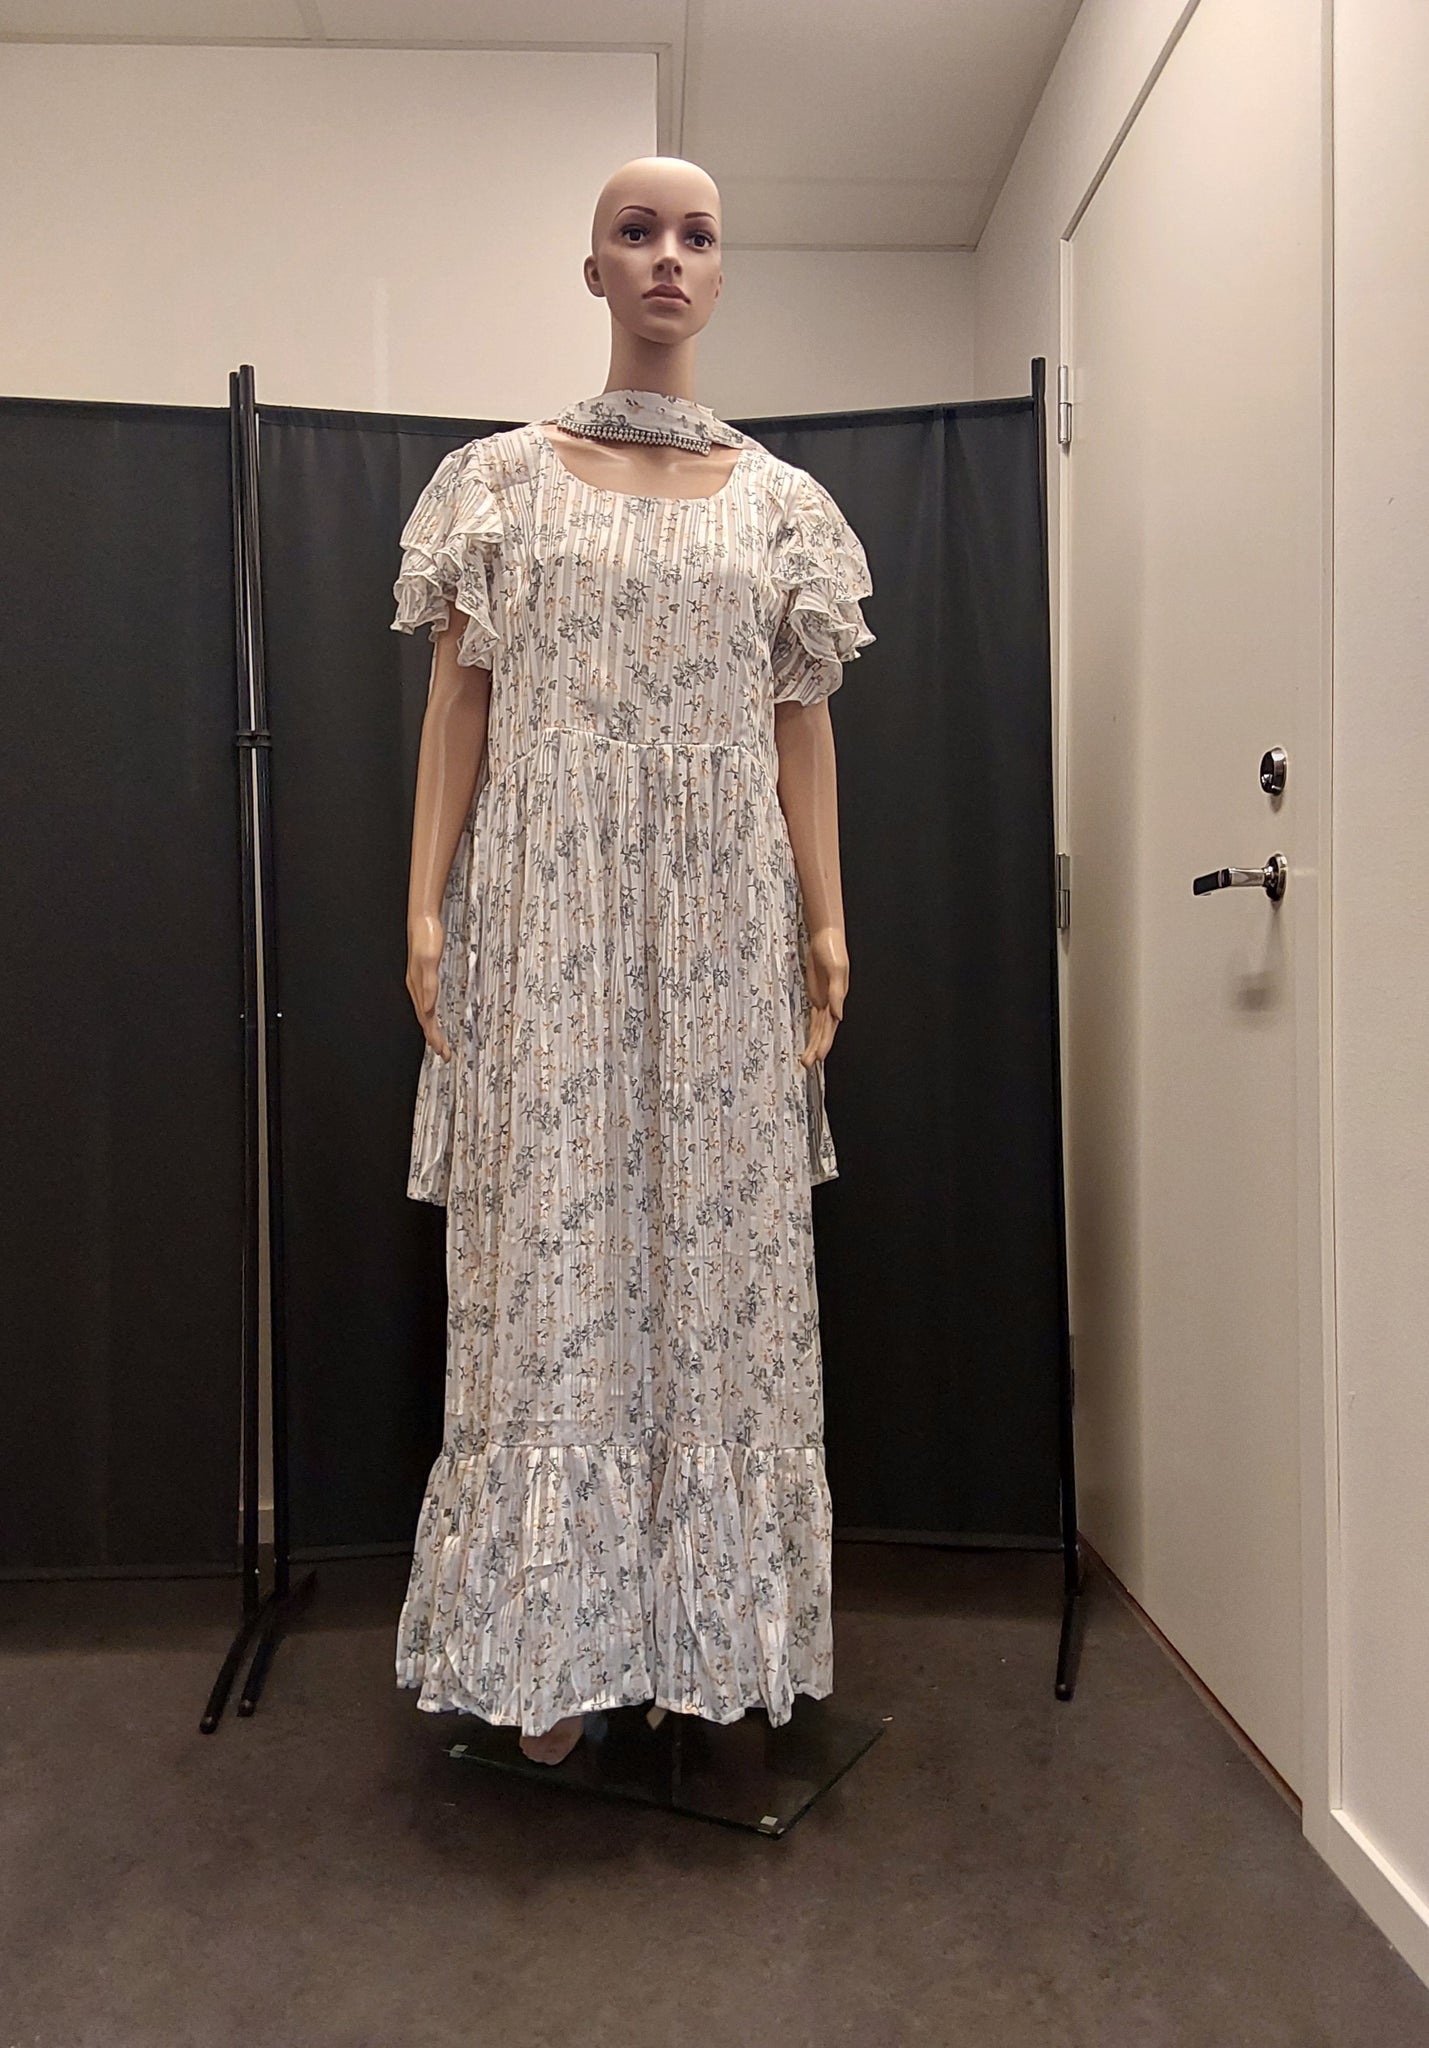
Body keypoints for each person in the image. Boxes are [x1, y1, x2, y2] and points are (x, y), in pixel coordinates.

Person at [390, 155, 875, 1766]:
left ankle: (698, 1631)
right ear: (592, 267)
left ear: (721, 273)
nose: (668, 255)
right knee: (553, 1261)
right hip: (546, 913)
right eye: (636, 231)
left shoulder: (782, 509)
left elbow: (799, 727)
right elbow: (457, 704)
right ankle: (553, 1640)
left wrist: (825, 918)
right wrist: (424, 905)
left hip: (725, 916)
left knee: (721, 1269)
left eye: (696, 235)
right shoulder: (497, 484)